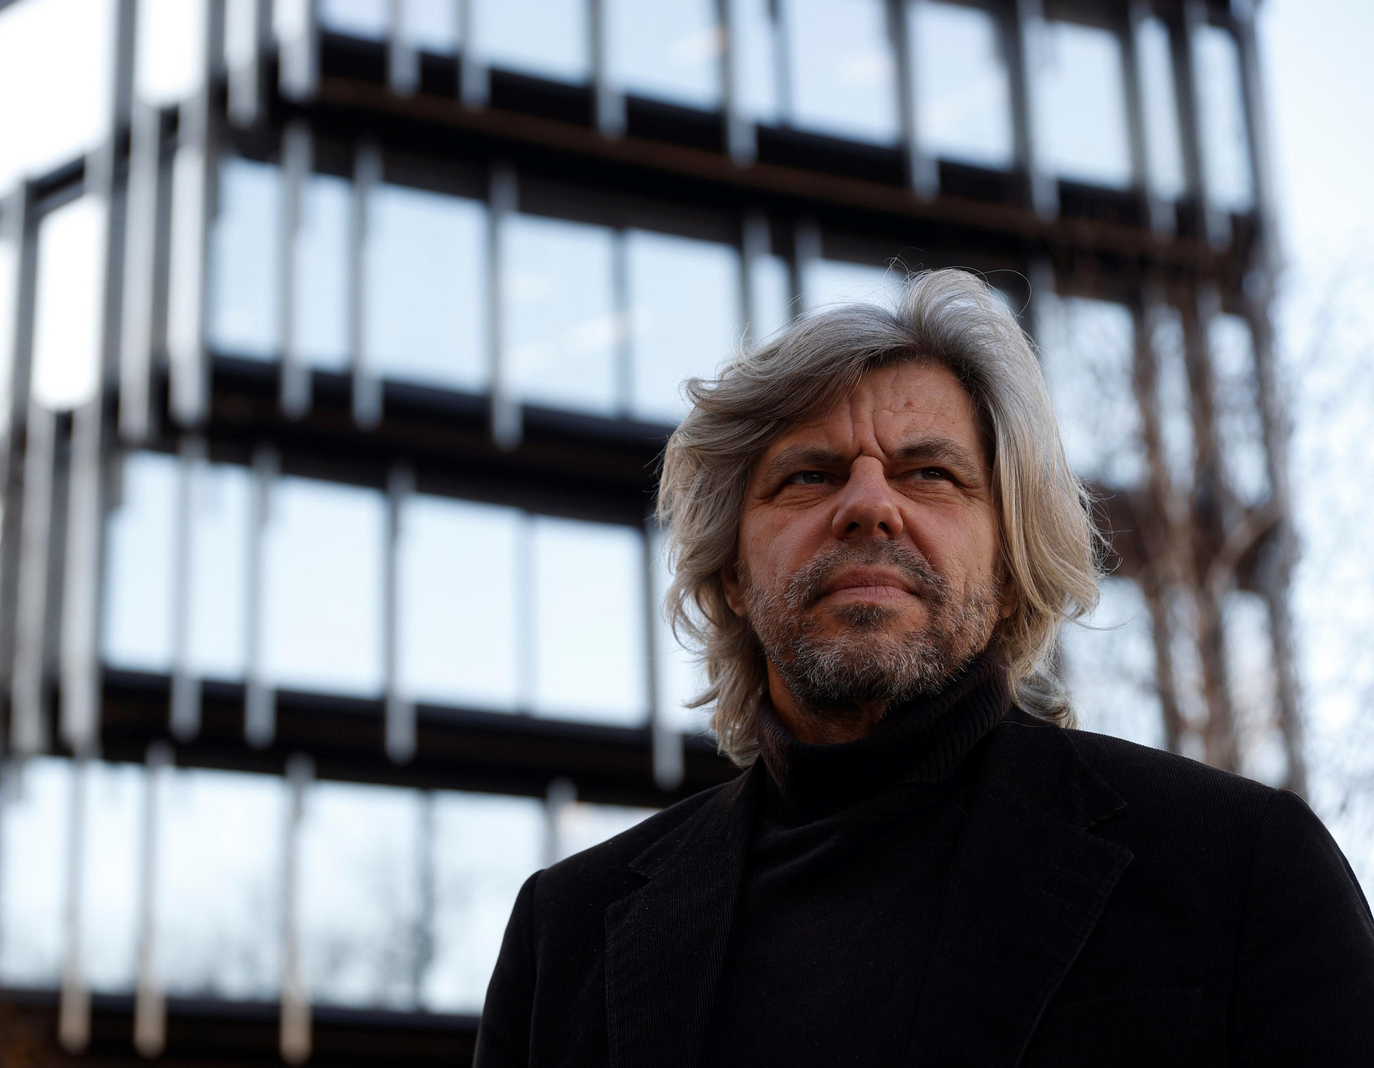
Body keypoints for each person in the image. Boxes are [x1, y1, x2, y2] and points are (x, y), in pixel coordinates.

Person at [472, 269, 1374, 1067]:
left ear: (1014, 569)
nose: (869, 506)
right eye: (810, 476)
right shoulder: (568, 936)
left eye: (930, 474)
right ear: (732, 577)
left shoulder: (1244, 868)